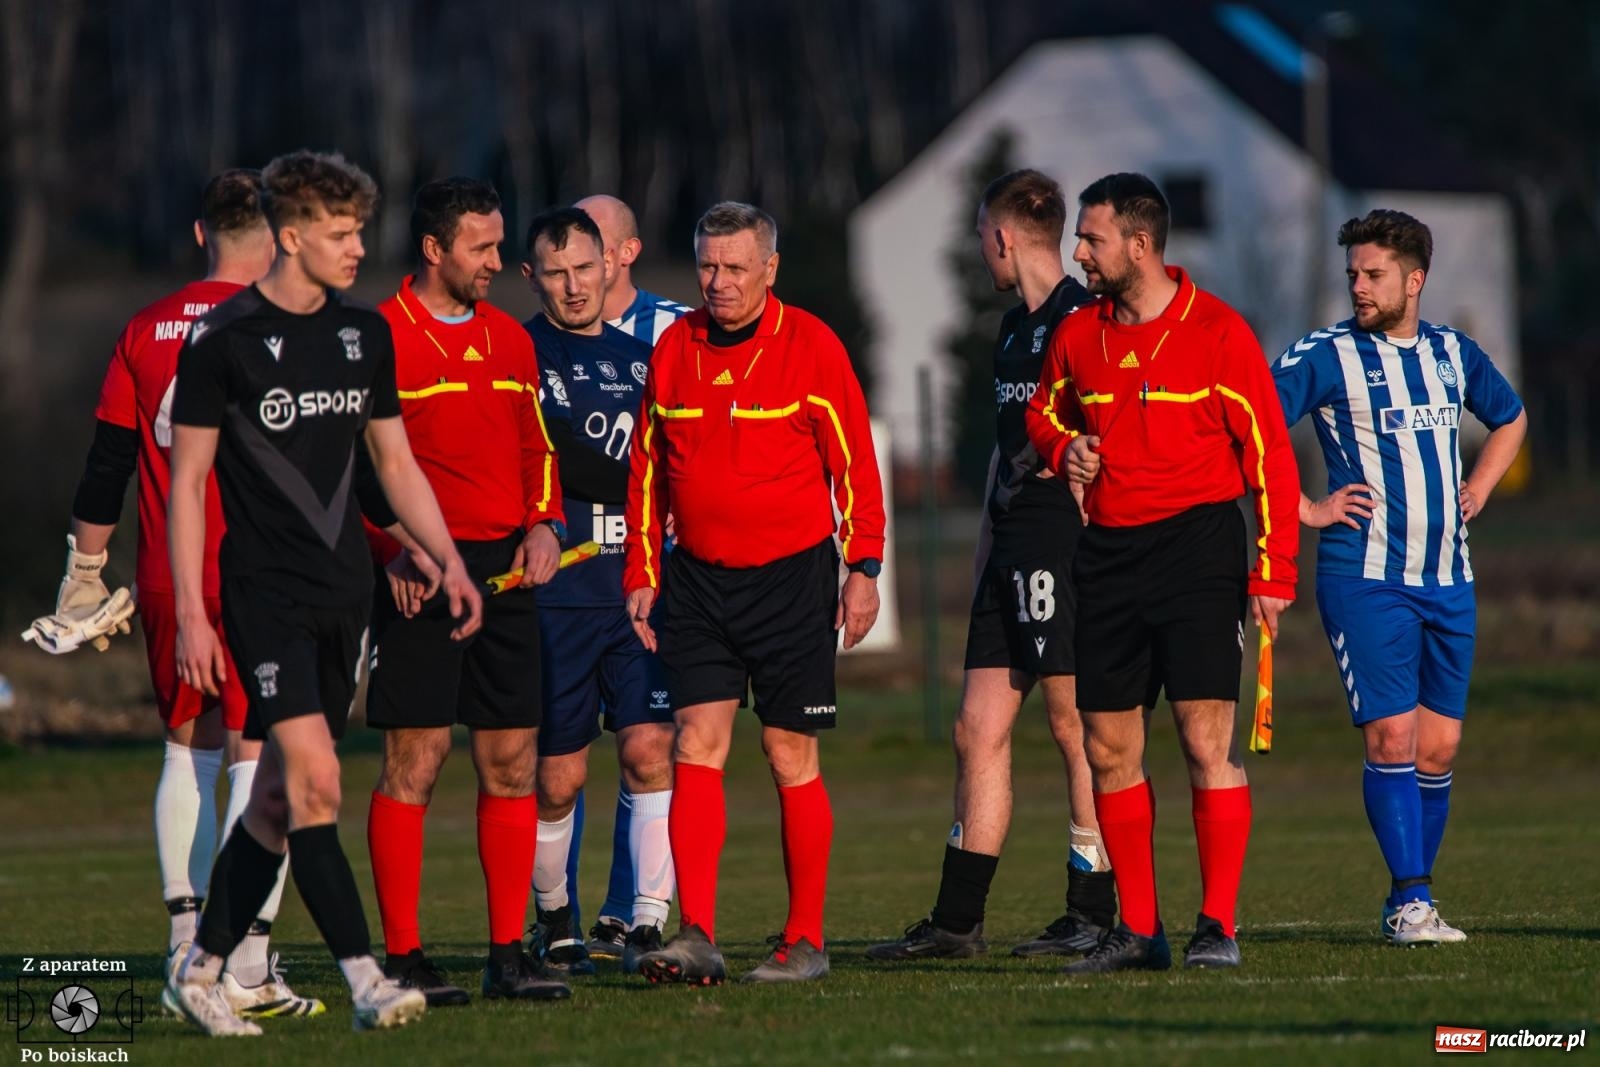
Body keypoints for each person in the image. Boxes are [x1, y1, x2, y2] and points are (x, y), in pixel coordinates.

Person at [164, 149, 483, 1036]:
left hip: (349, 595)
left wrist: (447, 560)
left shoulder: (362, 334)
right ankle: (367, 978)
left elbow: (395, 461)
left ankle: (199, 970)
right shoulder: (221, 343)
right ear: (291, 235)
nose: (357, 249)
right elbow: (187, 485)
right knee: (316, 782)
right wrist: (194, 612)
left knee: (273, 799)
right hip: (265, 598)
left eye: (360, 232)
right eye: (341, 235)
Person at [60, 170, 322, 1019]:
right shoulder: (286, 325)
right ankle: (243, 963)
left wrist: (83, 575)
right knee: (260, 755)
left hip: (171, 572)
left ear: (199, 233)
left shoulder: (144, 326)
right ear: (279, 233)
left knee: (187, 747)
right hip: (259, 568)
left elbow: (106, 463)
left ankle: (184, 947)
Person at [1024, 173, 1300, 973]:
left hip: (1200, 550)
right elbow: (1045, 412)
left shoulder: (1218, 331)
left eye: (1093, 238)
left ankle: (1218, 924)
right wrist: (1059, 447)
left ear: (1139, 246)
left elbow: (1270, 456)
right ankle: (1138, 933)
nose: (1079, 252)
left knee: (1204, 739)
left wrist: (1273, 567)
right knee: (1108, 746)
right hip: (1107, 553)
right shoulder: (1079, 335)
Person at [624, 201, 885, 985]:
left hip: (792, 581)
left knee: (785, 750)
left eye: (737, 267)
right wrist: (642, 572)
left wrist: (863, 567)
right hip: (697, 581)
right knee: (693, 742)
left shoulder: (811, 345)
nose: (720, 282)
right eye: (708, 265)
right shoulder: (674, 348)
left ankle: (805, 937)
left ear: (770, 268)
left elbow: (855, 465)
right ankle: (698, 931)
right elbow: (647, 471)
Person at [868, 169, 1116, 962]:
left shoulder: (1088, 321)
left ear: (1004, 236)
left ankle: (1093, 905)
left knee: (1075, 726)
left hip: (1063, 543)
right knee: (977, 728)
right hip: (1009, 544)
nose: (984, 251)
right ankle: (957, 921)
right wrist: (983, 548)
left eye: (984, 237)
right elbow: (1007, 456)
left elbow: (1113, 440)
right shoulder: (1013, 330)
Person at [1271, 209, 1526, 946]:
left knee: (1437, 749)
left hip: (1449, 579)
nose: (1358, 285)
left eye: (1373, 273)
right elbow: (1250, 423)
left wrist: (1478, 485)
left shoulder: (1452, 352)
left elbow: (1510, 419)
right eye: (1352, 272)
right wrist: (1305, 509)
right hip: (1365, 578)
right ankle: (1415, 902)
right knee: (1391, 735)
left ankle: (1404, 899)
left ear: (1414, 280)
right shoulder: (1325, 355)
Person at [362, 178, 571, 1005]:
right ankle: (405, 955)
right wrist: (394, 552)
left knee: (512, 760)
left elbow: (538, 450)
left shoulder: (512, 342)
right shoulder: (377, 337)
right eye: (482, 248)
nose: (498, 262)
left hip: (507, 574)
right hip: (420, 574)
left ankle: (506, 953)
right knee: (417, 757)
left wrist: (546, 522)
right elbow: (353, 472)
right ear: (434, 249)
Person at [518, 206, 677, 976]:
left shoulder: (643, 359)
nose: (574, 286)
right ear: (532, 276)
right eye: (556, 272)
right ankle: (554, 919)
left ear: (609, 266)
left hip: (638, 590)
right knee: (560, 774)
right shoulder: (515, 352)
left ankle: (648, 922)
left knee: (651, 748)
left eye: (586, 268)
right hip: (556, 598)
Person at [563, 194, 691, 960]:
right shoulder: (542, 340)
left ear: (628, 251)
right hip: (573, 572)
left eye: (595, 245)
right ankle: (560, 919)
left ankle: (630, 909)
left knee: (648, 738)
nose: (580, 262)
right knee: (562, 747)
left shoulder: (676, 328)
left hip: (660, 572)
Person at [576, 194, 693, 344]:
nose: (576, 254)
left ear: (628, 251)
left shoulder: (684, 328)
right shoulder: (545, 334)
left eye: (591, 242)